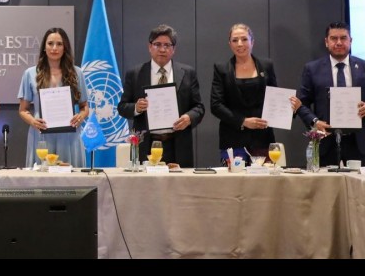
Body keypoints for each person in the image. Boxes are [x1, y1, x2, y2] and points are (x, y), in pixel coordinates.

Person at [210, 23, 301, 164]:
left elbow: (275, 98)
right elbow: (216, 105)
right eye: (235, 40)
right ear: (229, 44)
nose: (240, 44)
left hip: (262, 138)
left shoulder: (266, 65)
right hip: (233, 139)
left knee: (264, 178)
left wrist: (291, 108)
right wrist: (243, 121)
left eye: (244, 39)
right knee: (235, 178)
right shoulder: (221, 69)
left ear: (252, 41)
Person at [118, 24, 204, 167]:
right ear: (149, 47)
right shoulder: (135, 74)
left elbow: (199, 107)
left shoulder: (187, 73)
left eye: (167, 45)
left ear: (174, 49)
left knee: (179, 182)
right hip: (146, 144)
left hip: (178, 144)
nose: (162, 49)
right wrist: (136, 108)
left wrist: (189, 118)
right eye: (157, 44)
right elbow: (122, 107)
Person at [297, 21, 365, 166]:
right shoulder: (312, 69)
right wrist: (314, 122)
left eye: (343, 38)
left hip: (359, 142)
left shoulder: (363, 67)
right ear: (326, 42)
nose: (339, 42)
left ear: (351, 41)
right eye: (334, 38)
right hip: (325, 140)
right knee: (325, 181)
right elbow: (301, 103)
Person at [18, 27, 88, 167]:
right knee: (42, 178)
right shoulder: (30, 73)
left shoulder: (77, 73)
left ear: (65, 47)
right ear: (44, 47)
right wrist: (33, 121)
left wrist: (80, 117)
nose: (54, 48)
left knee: (71, 177)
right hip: (41, 135)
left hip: (69, 135)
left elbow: (84, 107)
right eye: (50, 43)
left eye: (59, 44)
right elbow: (22, 110)